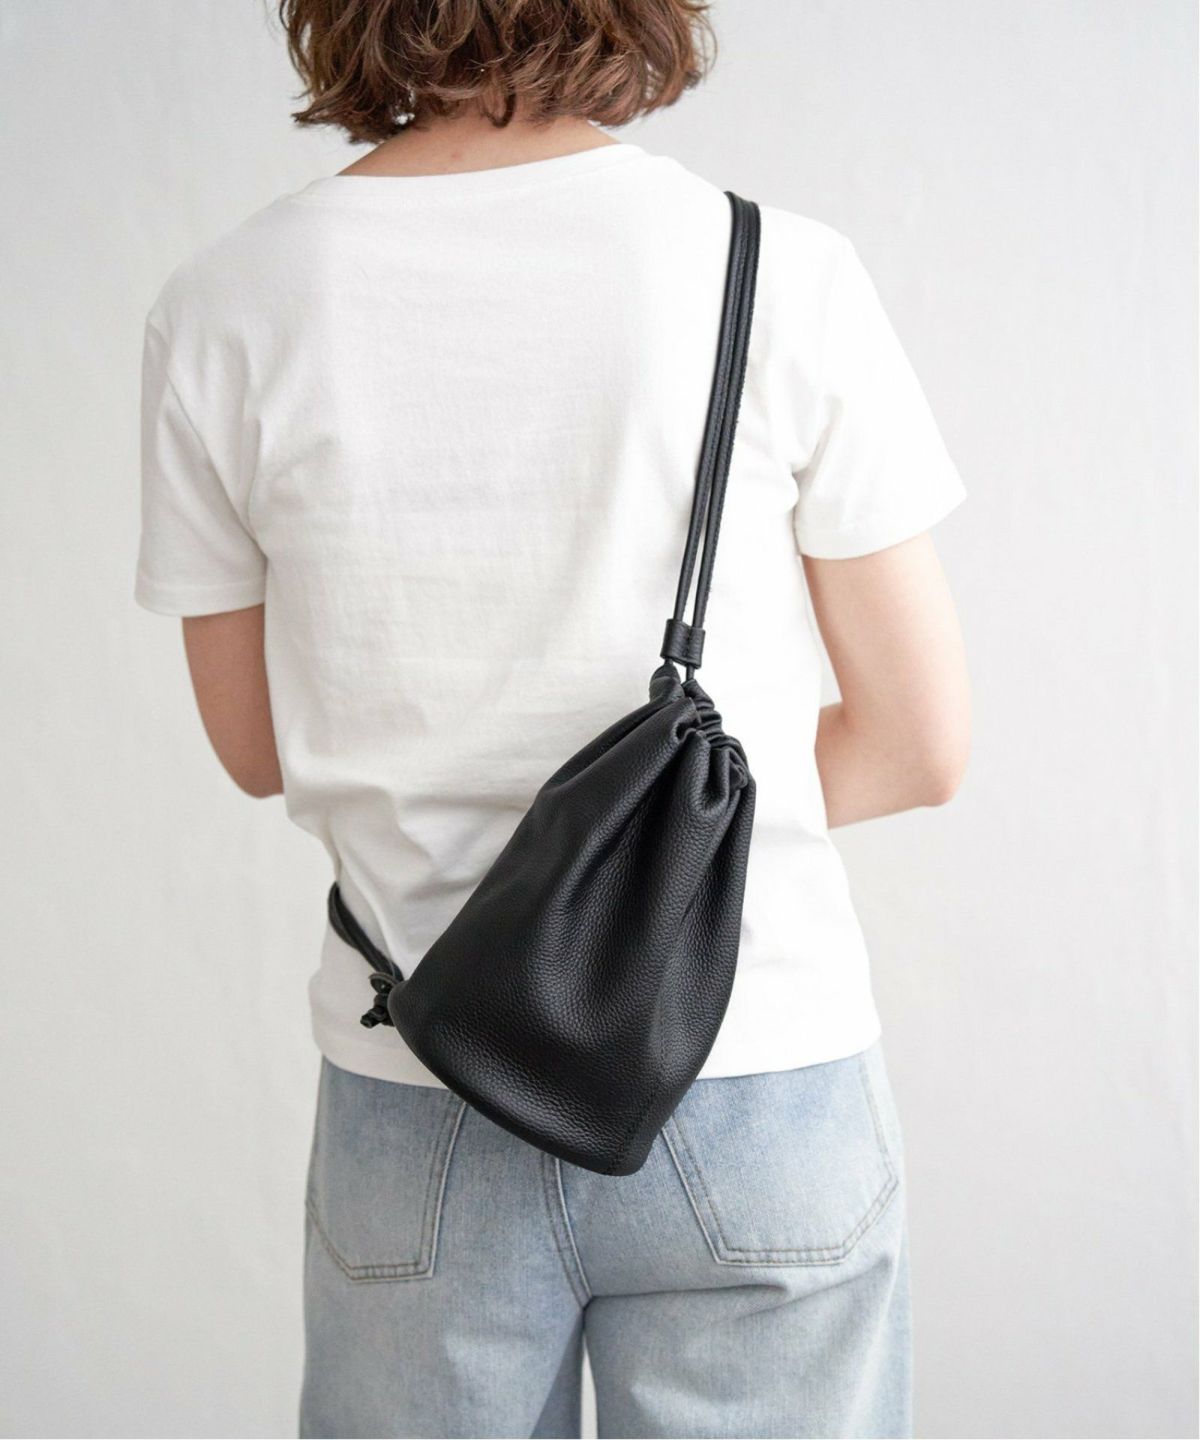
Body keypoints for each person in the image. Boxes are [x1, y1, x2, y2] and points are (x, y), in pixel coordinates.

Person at [134, 2, 970, 1435]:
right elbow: (918, 743)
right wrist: (646, 866)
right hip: (753, 1066)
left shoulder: (225, 303)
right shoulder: (778, 271)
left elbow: (258, 749)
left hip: (423, 1072)